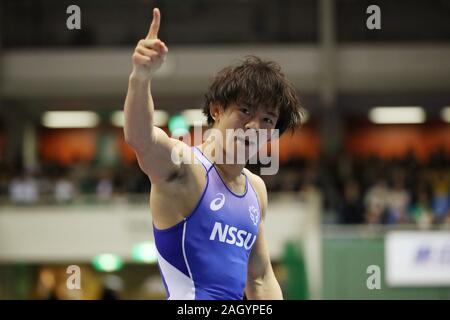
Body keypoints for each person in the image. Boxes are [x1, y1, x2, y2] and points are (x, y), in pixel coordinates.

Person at [123, 8, 303, 300]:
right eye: (245, 110)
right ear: (217, 110)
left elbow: (259, 277)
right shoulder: (186, 169)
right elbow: (141, 139)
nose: (254, 126)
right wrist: (140, 78)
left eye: (267, 120)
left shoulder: (255, 190)